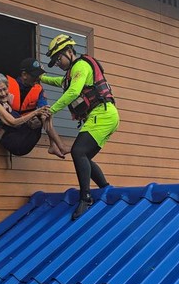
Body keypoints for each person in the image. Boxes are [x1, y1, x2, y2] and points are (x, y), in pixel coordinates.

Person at [40, 34, 120, 220]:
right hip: (102, 115)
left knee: (78, 152)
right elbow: (60, 82)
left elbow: (74, 91)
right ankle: (105, 189)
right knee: (84, 155)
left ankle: (86, 198)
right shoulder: (71, 74)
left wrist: (52, 110)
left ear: (69, 52)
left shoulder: (81, 66)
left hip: (103, 114)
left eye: (59, 58)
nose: (58, 63)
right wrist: (41, 78)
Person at [0, 57, 69, 157]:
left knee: (45, 113)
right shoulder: (6, 87)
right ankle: (60, 146)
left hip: (25, 131)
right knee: (41, 113)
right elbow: (10, 120)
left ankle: (55, 145)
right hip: (12, 136)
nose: (37, 78)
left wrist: (39, 116)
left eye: (38, 75)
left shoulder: (38, 90)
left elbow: (44, 110)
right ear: (24, 75)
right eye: (34, 75)